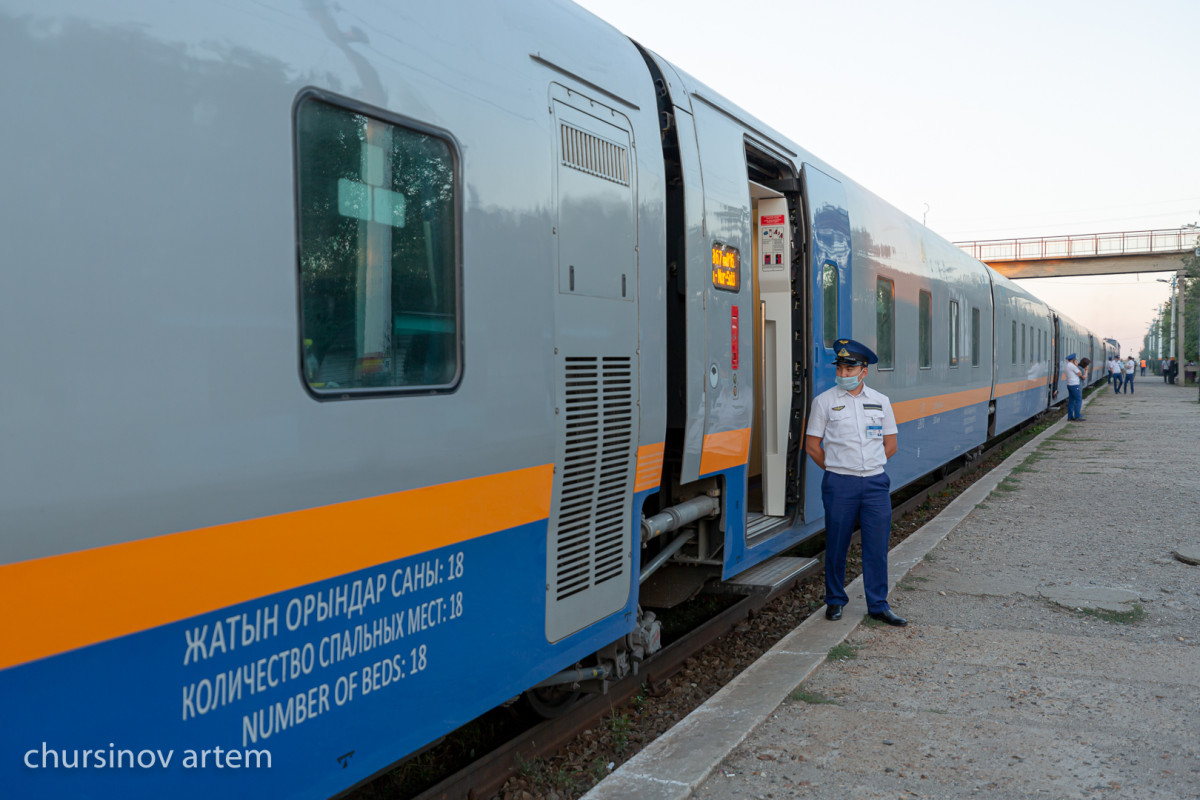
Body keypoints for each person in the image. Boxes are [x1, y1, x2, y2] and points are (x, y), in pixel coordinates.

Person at [804, 338, 905, 627]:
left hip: (874, 484)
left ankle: (878, 605)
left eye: (850, 370)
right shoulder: (824, 402)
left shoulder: (881, 401)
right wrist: (838, 468)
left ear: (864, 371)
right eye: (841, 369)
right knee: (837, 544)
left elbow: (891, 444)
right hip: (840, 484)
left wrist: (869, 466)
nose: (844, 375)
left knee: (876, 546)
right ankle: (835, 601)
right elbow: (812, 446)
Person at [1064, 353, 1084, 420]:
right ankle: (1077, 416)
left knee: (1071, 401)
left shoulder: (1067, 365)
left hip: (1069, 385)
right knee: (1079, 400)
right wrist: (1076, 365)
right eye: (1075, 360)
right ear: (1073, 360)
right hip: (1074, 385)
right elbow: (1080, 373)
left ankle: (1070, 417)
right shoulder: (1072, 366)